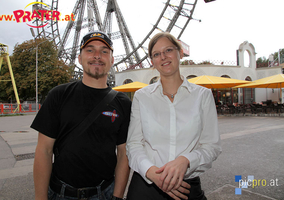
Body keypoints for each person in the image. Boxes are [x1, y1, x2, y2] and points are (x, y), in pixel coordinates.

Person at [31, 31, 131, 200]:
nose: (97, 56)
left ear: (112, 60)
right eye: (90, 50)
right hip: (61, 193)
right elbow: (44, 150)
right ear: (79, 58)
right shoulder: (58, 95)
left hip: (104, 193)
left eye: (104, 51)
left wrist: (118, 196)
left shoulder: (123, 103)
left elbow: (123, 154)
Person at [126, 32, 222, 200]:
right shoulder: (142, 97)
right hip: (146, 187)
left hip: (185, 187)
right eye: (156, 54)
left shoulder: (203, 96)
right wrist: (152, 173)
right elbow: (133, 145)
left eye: (168, 50)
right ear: (152, 62)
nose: (163, 57)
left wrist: (186, 160)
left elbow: (211, 146)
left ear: (180, 53)